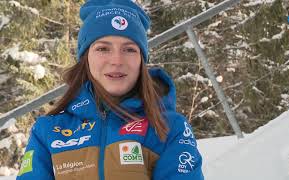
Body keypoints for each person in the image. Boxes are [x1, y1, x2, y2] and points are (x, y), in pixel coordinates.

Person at [17, 0, 204, 179]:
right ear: (85, 58)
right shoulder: (48, 131)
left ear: (141, 60)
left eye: (129, 49)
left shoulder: (169, 127)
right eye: (103, 49)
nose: (117, 60)